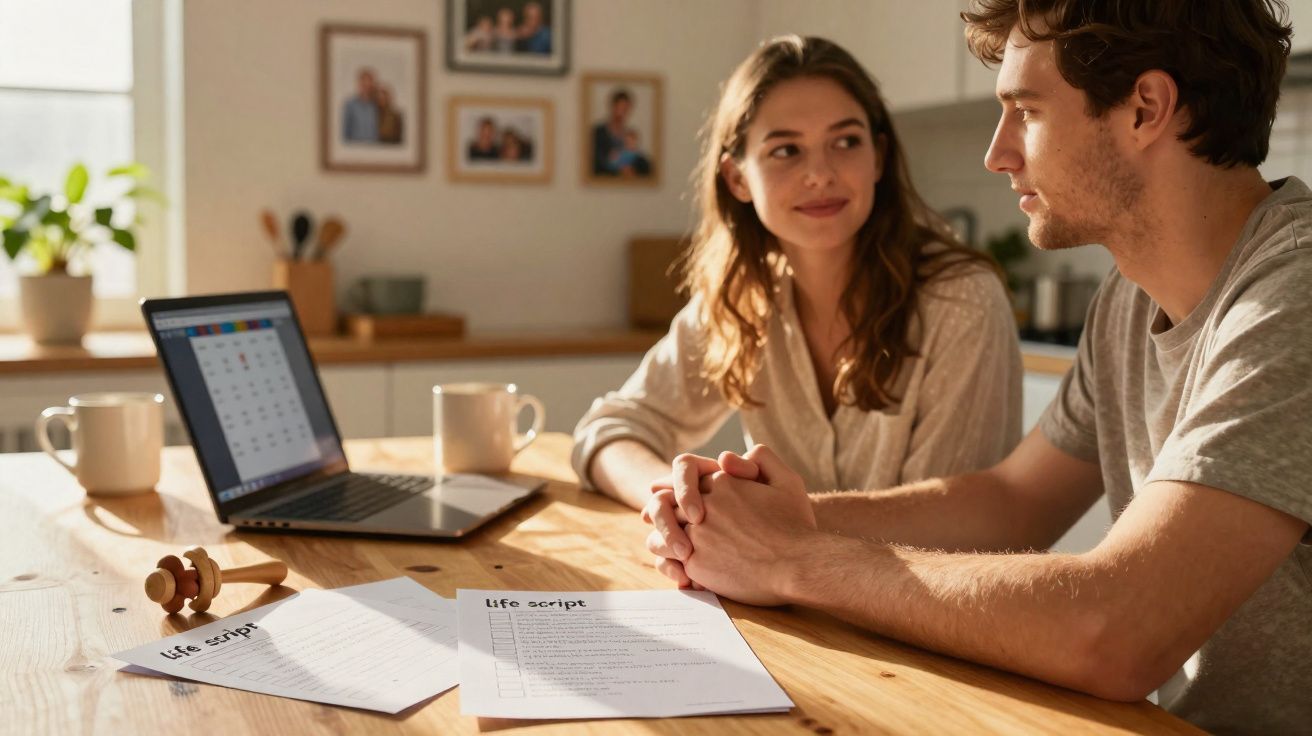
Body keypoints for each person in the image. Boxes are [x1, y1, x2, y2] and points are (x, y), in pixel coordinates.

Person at [644, 2, 1311, 733]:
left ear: (1146, 108)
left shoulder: (1295, 293)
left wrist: (792, 558)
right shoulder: (1127, 299)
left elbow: (1115, 630)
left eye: (1025, 110)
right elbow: (1010, 501)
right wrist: (766, 518)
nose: (998, 153)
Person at [573, 36, 1023, 512]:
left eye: (846, 142)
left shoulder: (962, 302)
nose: (821, 174)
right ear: (737, 179)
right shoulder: (742, 298)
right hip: (775, 582)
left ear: (879, 157)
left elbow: (948, 527)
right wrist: (675, 497)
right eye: (786, 150)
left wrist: (761, 530)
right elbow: (607, 431)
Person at [591, 89, 637, 177]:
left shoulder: (630, 135)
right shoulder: (598, 132)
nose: (623, 112)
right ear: (613, 106)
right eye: (621, 107)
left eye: (626, 109)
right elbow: (596, 160)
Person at [341, 68, 378, 142]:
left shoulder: (377, 105)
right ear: (359, 83)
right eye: (364, 83)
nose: (366, 86)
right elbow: (345, 131)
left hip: (374, 148)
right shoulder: (350, 105)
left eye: (369, 83)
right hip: (355, 148)